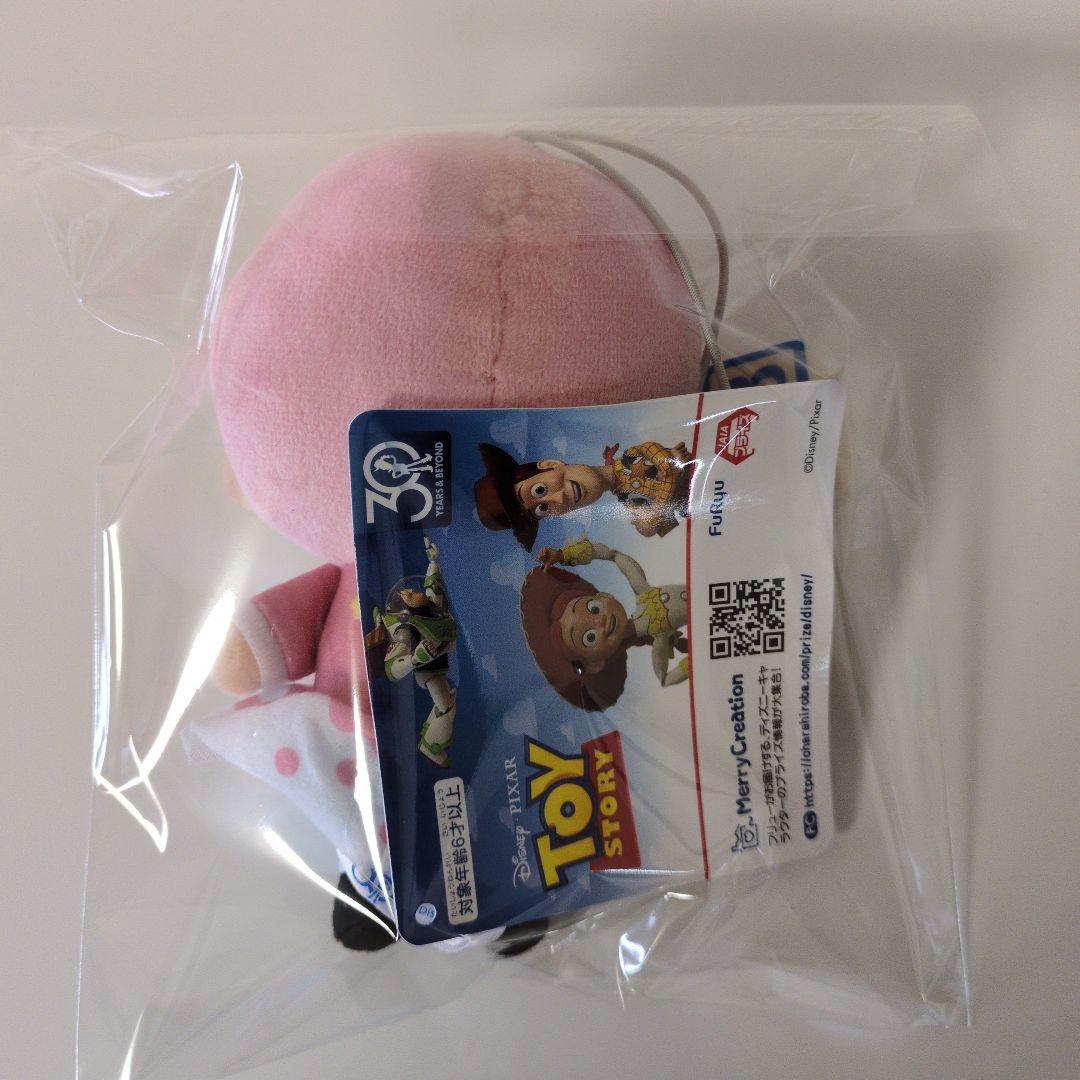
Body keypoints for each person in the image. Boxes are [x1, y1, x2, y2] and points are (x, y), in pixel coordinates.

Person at [519, 536, 688, 712]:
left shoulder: (642, 589)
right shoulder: (660, 639)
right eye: (590, 637)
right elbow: (664, 678)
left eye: (594, 609)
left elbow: (613, 555)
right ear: (595, 663)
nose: (600, 620)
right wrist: (689, 664)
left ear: (605, 596)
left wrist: (563, 554)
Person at [474, 438, 693, 550]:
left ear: (550, 464)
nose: (558, 498)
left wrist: (669, 460)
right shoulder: (627, 498)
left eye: (539, 490)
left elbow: (650, 449)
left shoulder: (629, 459)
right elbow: (648, 528)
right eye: (543, 508)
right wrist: (653, 514)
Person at [366, 537, 458, 766]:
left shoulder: (430, 607)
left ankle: (430, 736)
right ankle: (431, 747)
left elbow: (433, 584)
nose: (409, 592)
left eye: (409, 590)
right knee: (445, 706)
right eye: (405, 594)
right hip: (429, 670)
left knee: (448, 702)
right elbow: (392, 669)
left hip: (437, 662)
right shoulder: (404, 631)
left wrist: (433, 560)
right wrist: (415, 659)